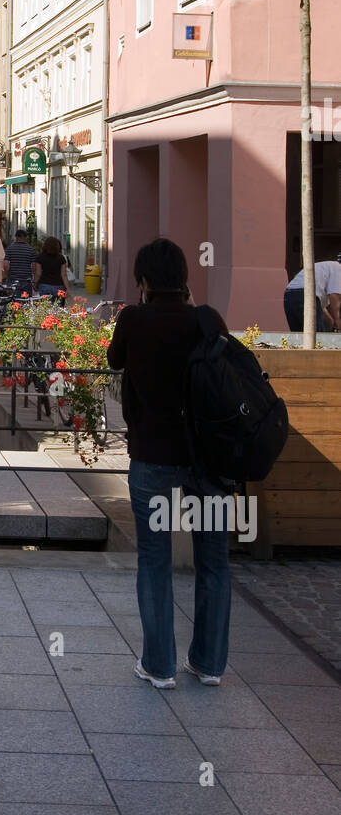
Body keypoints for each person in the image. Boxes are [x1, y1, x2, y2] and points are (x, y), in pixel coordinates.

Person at [107, 237, 231, 690]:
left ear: (143, 280)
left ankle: (160, 666)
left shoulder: (134, 320)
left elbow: (114, 359)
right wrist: (195, 308)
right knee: (214, 563)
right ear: (184, 278)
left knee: (155, 562)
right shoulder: (207, 320)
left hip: (153, 457)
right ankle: (210, 664)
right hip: (209, 464)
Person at [283, 254, 341, 333]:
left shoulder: (326, 267)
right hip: (305, 294)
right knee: (315, 336)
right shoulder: (338, 268)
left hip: (289, 295)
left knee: (298, 335)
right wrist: (337, 321)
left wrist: (331, 320)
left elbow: (319, 306)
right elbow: (334, 296)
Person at [2, 228, 38, 293]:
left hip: (13, 279)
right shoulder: (31, 250)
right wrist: (34, 279)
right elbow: (34, 267)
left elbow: (6, 265)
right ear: (25, 237)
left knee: (13, 301)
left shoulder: (10, 249)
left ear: (16, 237)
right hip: (26, 280)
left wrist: (6, 276)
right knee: (26, 301)